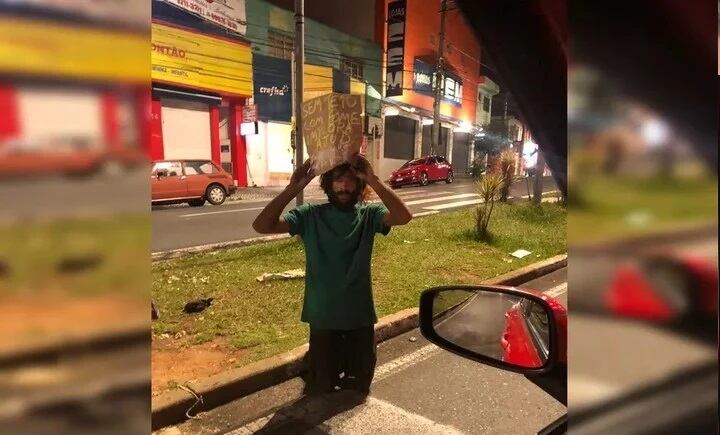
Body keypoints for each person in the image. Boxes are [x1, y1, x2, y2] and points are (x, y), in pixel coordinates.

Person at [252, 154, 412, 397]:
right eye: (338, 180)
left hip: (359, 317)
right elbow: (262, 226)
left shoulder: (368, 216)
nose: (344, 186)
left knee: (358, 389)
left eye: (350, 180)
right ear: (327, 184)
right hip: (323, 318)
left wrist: (374, 180)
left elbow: (403, 217)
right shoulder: (309, 215)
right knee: (321, 387)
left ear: (359, 185)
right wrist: (292, 189)